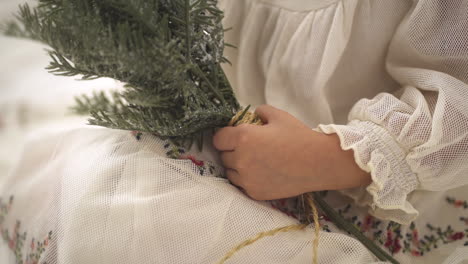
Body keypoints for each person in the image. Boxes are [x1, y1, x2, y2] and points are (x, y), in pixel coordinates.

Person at [0, 0, 467, 263]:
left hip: (367, 194)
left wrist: (331, 158)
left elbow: (457, 98)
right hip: (228, 150)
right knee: (101, 180)